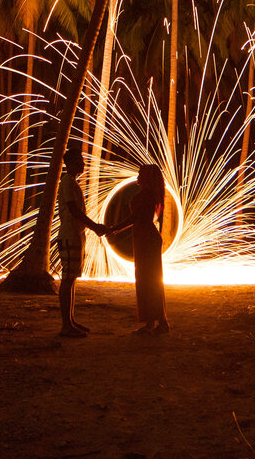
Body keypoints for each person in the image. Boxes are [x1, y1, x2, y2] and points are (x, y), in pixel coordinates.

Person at [107, 163, 170, 334]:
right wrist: (115, 228)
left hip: (146, 238)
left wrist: (114, 228)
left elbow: (136, 217)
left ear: (147, 177)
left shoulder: (147, 195)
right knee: (146, 279)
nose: (137, 175)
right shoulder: (148, 194)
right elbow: (136, 218)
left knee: (150, 279)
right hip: (144, 238)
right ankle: (153, 322)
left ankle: (160, 322)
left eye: (141, 173)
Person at [56, 145, 105, 338]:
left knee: (72, 279)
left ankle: (70, 320)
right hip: (69, 235)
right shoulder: (67, 182)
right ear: (69, 163)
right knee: (67, 280)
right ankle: (66, 325)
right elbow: (74, 210)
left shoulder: (72, 183)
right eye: (79, 161)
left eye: (83, 161)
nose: (83, 164)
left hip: (75, 235)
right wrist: (95, 227)